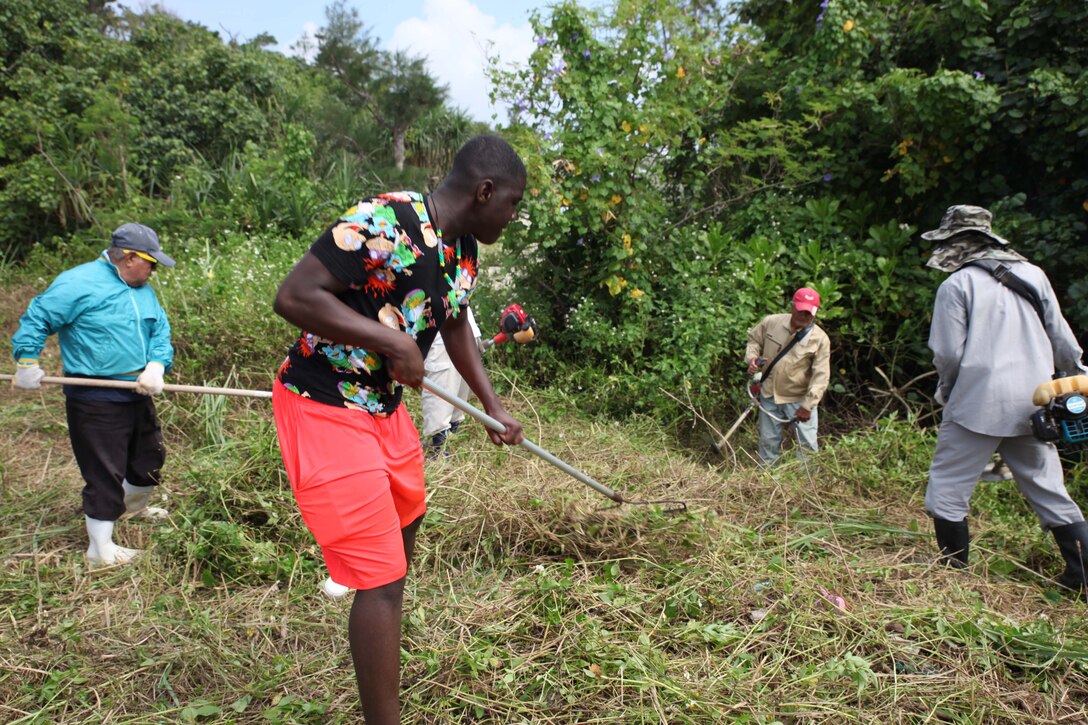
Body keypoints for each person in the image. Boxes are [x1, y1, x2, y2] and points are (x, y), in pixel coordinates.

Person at [271, 134, 526, 723]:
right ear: (485, 191)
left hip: (385, 410)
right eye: (511, 204)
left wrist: (490, 405)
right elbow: (293, 295)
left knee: (404, 539)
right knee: (383, 577)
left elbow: (455, 319)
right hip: (325, 402)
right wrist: (390, 340)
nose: (512, 217)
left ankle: (374, 617)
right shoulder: (382, 220)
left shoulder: (462, 249)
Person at [923, 204, 1088, 593]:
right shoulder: (1033, 274)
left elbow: (947, 353)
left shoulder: (956, 285)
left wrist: (947, 391)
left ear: (953, 241)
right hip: (1036, 401)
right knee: (1048, 489)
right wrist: (1076, 377)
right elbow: (1061, 337)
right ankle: (1082, 576)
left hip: (977, 404)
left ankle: (953, 576)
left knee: (948, 488)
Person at [10, 223, 175, 566]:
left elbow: (160, 328)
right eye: (151, 263)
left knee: (148, 459)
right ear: (130, 258)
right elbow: (39, 316)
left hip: (136, 390)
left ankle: (129, 510)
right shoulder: (78, 283)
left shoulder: (141, 287)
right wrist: (27, 360)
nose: (154, 271)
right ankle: (99, 548)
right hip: (95, 394)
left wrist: (157, 364)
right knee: (105, 471)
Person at [744, 287, 831, 465]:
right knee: (768, 442)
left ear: (815, 313)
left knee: (807, 446)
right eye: (800, 310)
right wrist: (752, 358)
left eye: (808, 312)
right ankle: (768, 481)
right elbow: (754, 340)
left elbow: (821, 376)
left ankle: (807, 485)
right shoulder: (772, 322)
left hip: (798, 399)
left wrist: (808, 405)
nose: (804, 316)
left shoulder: (820, 339)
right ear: (792, 306)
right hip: (769, 394)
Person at [421, 305, 481, 456]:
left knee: (440, 395)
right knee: (455, 395)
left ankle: (440, 451)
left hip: (445, 329)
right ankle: (446, 445)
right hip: (463, 327)